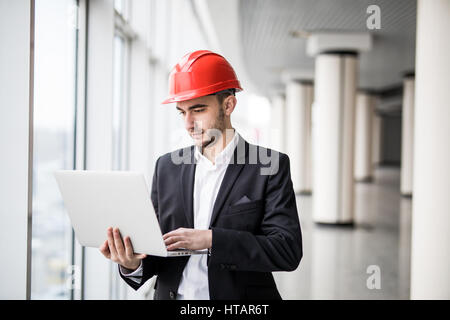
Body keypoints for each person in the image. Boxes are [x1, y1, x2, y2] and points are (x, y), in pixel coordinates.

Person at [99, 50, 302, 300]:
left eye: (198, 110)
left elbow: (287, 250)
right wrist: (131, 263)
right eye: (182, 112)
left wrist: (211, 239)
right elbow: (157, 251)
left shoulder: (270, 166)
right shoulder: (167, 167)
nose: (188, 123)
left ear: (228, 105)